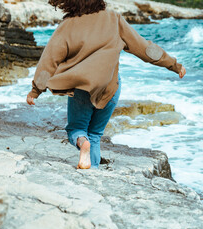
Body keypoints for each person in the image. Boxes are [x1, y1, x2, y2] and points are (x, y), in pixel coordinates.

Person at [26, 0, 186, 169]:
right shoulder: (114, 19)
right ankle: (92, 170)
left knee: (77, 129)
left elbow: (49, 61)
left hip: (82, 88)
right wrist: (174, 65)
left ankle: (82, 143)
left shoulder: (67, 25)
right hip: (110, 87)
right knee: (95, 133)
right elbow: (145, 49)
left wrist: (36, 90)